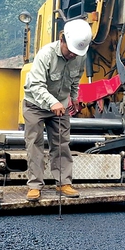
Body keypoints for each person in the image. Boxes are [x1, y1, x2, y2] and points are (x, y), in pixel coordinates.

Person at [24, 18, 91, 202]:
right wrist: (53, 102)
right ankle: (34, 186)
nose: (72, 55)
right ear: (62, 40)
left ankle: (63, 183)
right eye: (69, 51)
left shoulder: (79, 55)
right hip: (35, 105)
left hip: (60, 106)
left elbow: (76, 78)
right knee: (35, 144)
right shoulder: (46, 55)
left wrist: (75, 98)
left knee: (61, 144)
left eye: (75, 53)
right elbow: (36, 85)